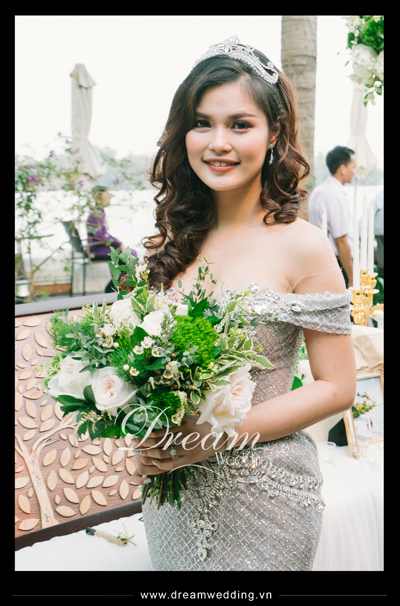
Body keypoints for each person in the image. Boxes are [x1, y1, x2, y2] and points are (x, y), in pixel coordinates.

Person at [128, 36, 356, 571]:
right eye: (202, 123)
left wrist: (214, 437)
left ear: (274, 133)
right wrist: (143, 430)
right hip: (171, 497)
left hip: (265, 499)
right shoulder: (168, 244)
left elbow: (337, 386)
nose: (217, 142)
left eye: (239, 124)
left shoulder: (303, 245)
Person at [308, 146, 357, 288]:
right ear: (343, 169)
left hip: (319, 262)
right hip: (338, 264)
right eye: (353, 167)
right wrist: (352, 278)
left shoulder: (318, 191)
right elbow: (341, 240)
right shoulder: (335, 196)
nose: (354, 172)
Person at [86, 186, 136, 293]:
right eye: (107, 196)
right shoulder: (96, 214)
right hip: (96, 250)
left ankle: (120, 285)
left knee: (129, 254)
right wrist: (118, 244)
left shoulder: (99, 212)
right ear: (98, 199)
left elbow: (104, 234)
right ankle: (113, 288)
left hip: (100, 247)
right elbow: (100, 235)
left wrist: (119, 243)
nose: (109, 198)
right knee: (129, 255)